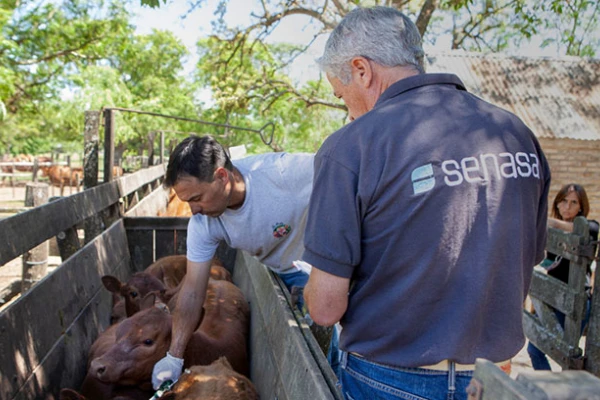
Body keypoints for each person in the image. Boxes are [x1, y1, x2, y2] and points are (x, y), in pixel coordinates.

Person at [301, 6, 551, 400]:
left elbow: (325, 309)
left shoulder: (350, 148)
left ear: (362, 70)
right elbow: (526, 256)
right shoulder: (515, 133)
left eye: (341, 94)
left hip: (387, 380)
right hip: (493, 380)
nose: (347, 111)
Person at [151, 134, 339, 390]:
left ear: (221, 176)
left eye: (196, 198)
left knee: (339, 343)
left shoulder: (285, 173)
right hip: (285, 271)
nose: (193, 210)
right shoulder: (203, 223)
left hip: (327, 263)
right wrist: (174, 356)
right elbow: (193, 290)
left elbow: (344, 174)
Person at [527, 183, 599, 370]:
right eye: (564, 201)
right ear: (557, 204)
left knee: (565, 357)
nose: (567, 207)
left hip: (576, 304)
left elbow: (586, 229)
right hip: (552, 299)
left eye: (573, 202)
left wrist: (548, 222)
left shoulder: (589, 227)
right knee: (534, 350)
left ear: (581, 206)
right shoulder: (552, 235)